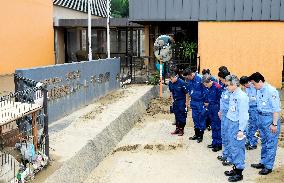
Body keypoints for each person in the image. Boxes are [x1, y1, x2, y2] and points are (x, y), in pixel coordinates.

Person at [249, 72, 281, 175]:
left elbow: (276, 109)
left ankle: (268, 166)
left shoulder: (271, 91)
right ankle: (263, 162)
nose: (253, 86)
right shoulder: (259, 90)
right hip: (261, 117)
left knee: (271, 143)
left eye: (254, 83)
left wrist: (274, 124)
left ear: (260, 81)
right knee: (264, 142)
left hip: (270, 119)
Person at [223, 75, 249, 182]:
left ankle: (239, 173)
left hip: (238, 125)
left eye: (228, 85)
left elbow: (243, 115)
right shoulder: (233, 94)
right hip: (231, 123)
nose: (227, 87)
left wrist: (241, 130)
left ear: (234, 85)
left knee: (238, 148)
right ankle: (235, 168)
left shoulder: (242, 97)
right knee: (232, 147)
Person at [183, 68, 206, 143]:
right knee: (195, 118)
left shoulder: (200, 78)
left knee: (201, 118)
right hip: (193, 102)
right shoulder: (189, 80)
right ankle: (196, 134)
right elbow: (189, 91)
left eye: (187, 77)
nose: (187, 79)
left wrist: (206, 101)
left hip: (200, 102)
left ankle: (200, 136)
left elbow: (206, 90)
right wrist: (188, 101)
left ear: (191, 74)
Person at [202, 74, 223, 152]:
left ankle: (219, 144)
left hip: (217, 109)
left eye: (206, 84)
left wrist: (220, 111)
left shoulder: (217, 87)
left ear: (210, 81)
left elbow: (221, 100)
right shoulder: (209, 87)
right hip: (210, 108)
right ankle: (214, 142)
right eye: (204, 84)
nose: (206, 85)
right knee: (213, 126)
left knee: (218, 126)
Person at [217, 70, 233, 166]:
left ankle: (230, 157)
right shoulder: (224, 88)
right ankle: (226, 154)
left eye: (221, 80)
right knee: (224, 135)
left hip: (229, 115)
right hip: (223, 114)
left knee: (230, 136)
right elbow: (223, 101)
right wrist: (220, 111)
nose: (220, 81)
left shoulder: (232, 90)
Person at [240, 76, 258, 150]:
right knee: (249, 126)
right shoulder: (246, 88)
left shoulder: (255, 87)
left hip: (255, 108)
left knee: (254, 126)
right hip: (248, 108)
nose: (244, 87)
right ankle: (249, 140)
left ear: (248, 82)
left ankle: (253, 143)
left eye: (244, 85)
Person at [169, 71, 189, 136]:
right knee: (176, 115)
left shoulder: (182, 83)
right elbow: (171, 91)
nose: (171, 80)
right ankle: (177, 129)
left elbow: (187, 93)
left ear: (176, 77)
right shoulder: (171, 83)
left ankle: (181, 129)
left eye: (172, 79)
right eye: (170, 79)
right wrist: (172, 100)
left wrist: (186, 102)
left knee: (182, 116)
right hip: (175, 101)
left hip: (181, 101)